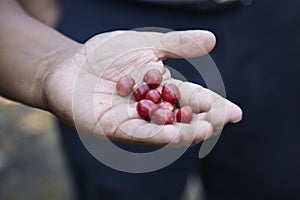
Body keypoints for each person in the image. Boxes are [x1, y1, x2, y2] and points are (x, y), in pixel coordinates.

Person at [0, 0, 242, 199]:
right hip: (106, 17)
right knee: (120, 188)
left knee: (259, 181)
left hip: (264, 21)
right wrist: (50, 56)